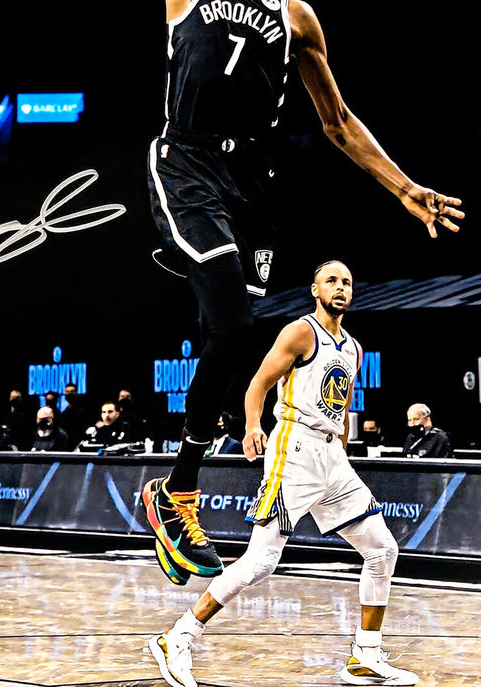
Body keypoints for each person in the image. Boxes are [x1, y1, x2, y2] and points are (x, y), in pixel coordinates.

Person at [114, 0, 464, 578]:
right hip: (184, 161)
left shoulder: (294, 14)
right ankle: (179, 491)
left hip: (249, 190)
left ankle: (175, 489)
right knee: (233, 320)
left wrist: (402, 186)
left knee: (230, 331)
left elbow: (337, 122)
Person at [148, 261, 418, 687]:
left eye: (347, 282)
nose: (341, 287)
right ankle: (177, 638)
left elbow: (343, 406)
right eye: (332, 280)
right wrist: (253, 426)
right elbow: (258, 383)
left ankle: (365, 656)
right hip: (294, 447)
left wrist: (341, 453)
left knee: (382, 550)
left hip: (331, 456)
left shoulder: (353, 348)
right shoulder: (300, 332)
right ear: (315, 289)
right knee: (260, 562)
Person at [57, 383, 89, 450]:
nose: (69, 394)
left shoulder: (84, 412)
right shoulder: (63, 414)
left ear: (76, 393)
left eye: (72, 391)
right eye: (67, 392)